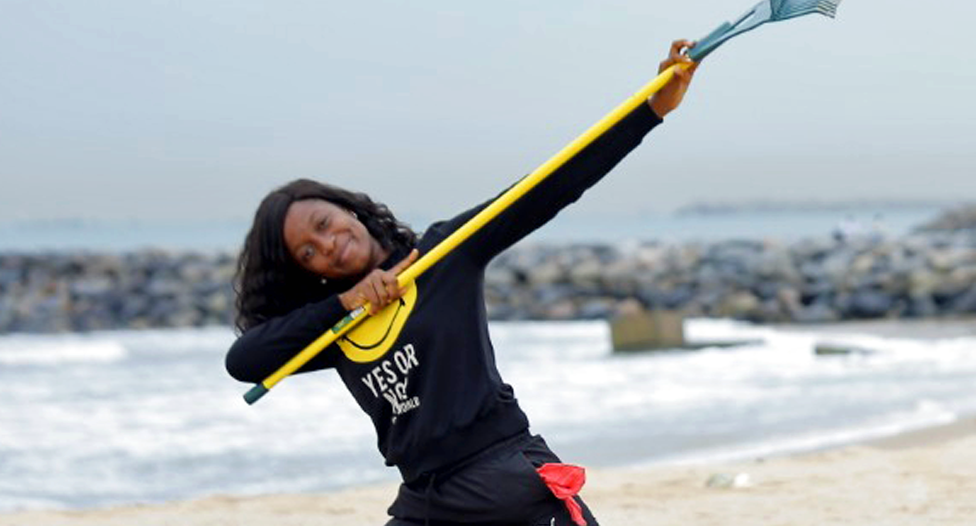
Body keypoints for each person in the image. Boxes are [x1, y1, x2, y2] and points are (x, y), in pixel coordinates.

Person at [226, 40, 699, 525]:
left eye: (324, 224)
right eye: (308, 252)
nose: (327, 244)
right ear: (311, 272)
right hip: (425, 500)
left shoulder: (443, 256)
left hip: (506, 478)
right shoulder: (337, 327)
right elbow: (244, 361)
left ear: (349, 210)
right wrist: (344, 304)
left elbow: (549, 185)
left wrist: (651, 109)